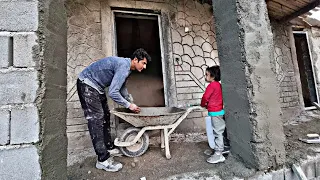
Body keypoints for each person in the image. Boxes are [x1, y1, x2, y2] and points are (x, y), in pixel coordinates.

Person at [77, 48, 151, 172]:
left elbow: (121, 88)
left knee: (105, 116)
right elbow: (113, 92)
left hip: (97, 87)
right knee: (97, 119)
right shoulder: (124, 66)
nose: (144, 67)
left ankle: (109, 148)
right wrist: (129, 105)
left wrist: (129, 101)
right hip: (87, 84)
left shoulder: (126, 67)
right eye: (143, 63)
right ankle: (102, 160)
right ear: (135, 60)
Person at [201, 66, 226, 164]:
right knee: (219, 131)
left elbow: (205, 97)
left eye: (207, 74)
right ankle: (218, 149)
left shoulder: (212, 85)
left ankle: (219, 153)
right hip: (219, 111)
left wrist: (203, 104)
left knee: (217, 132)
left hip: (215, 112)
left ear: (213, 76)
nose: (205, 76)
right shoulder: (219, 85)